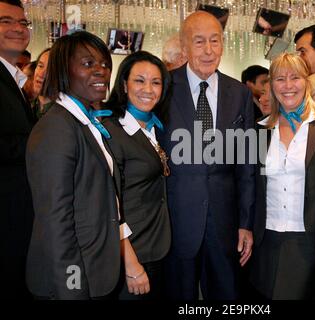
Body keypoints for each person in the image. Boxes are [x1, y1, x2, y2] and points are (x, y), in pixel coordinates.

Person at [25, 31, 131, 299]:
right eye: (88, 64)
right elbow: (55, 223)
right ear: (63, 70)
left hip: (95, 272)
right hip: (70, 282)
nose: (101, 72)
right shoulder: (57, 128)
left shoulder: (83, 122)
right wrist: (72, 289)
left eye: (105, 64)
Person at [159, 10, 255, 300]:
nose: (209, 50)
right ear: (185, 47)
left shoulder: (239, 94)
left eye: (215, 40)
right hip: (176, 219)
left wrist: (245, 222)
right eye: (199, 42)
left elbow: (247, 164)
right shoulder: (162, 87)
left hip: (224, 222)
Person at [249, 53, 315, 300]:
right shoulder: (261, 130)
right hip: (267, 236)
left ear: (307, 81)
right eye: (280, 79)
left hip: (307, 238)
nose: (287, 86)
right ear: (271, 85)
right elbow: (252, 185)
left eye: (295, 78)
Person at [104, 51, 172, 300]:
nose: (148, 89)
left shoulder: (154, 127)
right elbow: (110, 203)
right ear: (123, 84)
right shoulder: (111, 130)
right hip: (132, 255)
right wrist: (131, 265)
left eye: (156, 82)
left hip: (157, 248)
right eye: (139, 80)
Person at [0, 0, 34, 299]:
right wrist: (44, 143)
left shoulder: (14, 80)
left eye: (23, 23)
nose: (17, 28)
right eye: (5, 21)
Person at [30, 48, 51, 118]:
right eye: (40, 66)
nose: (41, 74)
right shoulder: (26, 106)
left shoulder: (65, 113)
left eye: (50, 69)